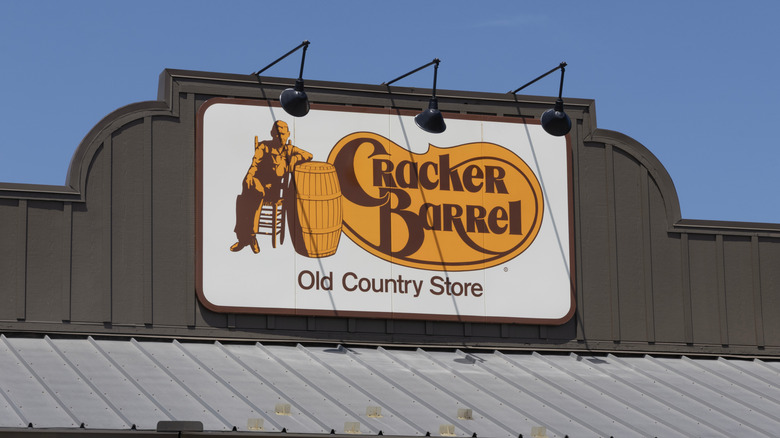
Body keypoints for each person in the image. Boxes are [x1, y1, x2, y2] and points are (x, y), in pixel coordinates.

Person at [230, 120, 312, 253]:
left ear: (288, 134)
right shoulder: (264, 147)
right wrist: (249, 176)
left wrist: (294, 160)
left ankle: (245, 238)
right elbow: (254, 164)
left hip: (273, 191)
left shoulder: (290, 150)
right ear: (272, 134)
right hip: (258, 184)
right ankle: (249, 237)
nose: (280, 137)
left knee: (244, 199)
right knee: (249, 192)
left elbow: (309, 155)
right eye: (277, 134)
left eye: (283, 134)